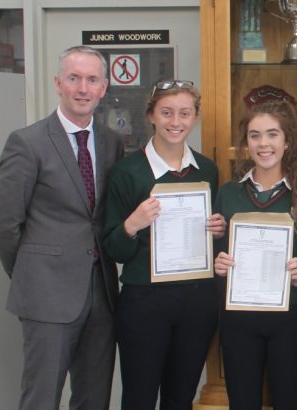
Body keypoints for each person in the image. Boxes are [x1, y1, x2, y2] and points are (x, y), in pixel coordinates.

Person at [0, 45, 123, 410]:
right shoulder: (27, 142)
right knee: (41, 397)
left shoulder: (112, 143)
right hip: (46, 292)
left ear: (103, 87)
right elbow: (3, 225)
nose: (83, 88)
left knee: (94, 398)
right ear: (58, 83)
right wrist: (33, 271)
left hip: (101, 292)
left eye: (92, 80)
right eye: (74, 78)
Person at [101, 80, 225, 409]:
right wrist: (132, 224)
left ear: (195, 117)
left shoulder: (207, 170)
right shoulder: (127, 172)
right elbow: (113, 250)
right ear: (151, 116)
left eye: (185, 113)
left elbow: (213, 241)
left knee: (181, 398)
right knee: (139, 398)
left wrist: (218, 230)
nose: (176, 121)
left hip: (197, 299)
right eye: (166, 112)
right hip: (145, 300)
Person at [212, 100, 297, 409]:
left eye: (272, 134)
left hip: (291, 314)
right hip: (239, 316)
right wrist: (219, 263)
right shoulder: (228, 193)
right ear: (246, 143)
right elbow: (216, 251)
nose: (264, 144)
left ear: (287, 141)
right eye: (255, 135)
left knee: (290, 401)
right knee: (242, 402)